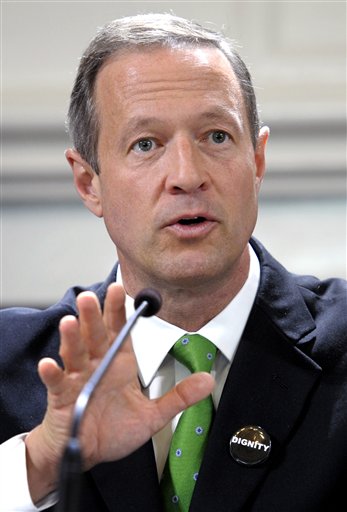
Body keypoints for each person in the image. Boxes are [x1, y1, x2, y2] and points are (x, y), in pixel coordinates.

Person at [0, 12, 346, 512]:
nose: (186, 175)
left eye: (217, 136)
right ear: (88, 183)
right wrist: (42, 461)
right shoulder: (11, 362)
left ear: (259, 161)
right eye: (146, 144)